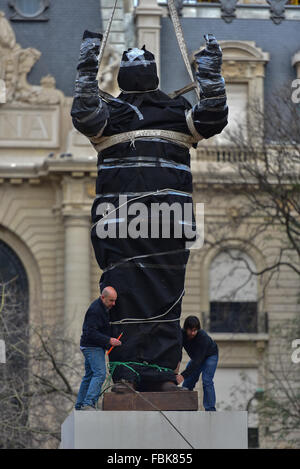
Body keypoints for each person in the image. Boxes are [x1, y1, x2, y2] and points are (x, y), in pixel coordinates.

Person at [71, 30, 228, 393]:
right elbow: (83, 113)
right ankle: (126, 373)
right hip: (128, 222)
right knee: (128, 296)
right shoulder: (112, 113)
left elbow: (212, 117)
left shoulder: (166, 111)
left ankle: (159, 375)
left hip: (157, 223)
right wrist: (209, 73)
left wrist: (210, 73)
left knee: (164, 295)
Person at [75, 286, 122, 410]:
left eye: (115, 300)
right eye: (111, 300)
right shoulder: (95, 310)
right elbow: (90, 332)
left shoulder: (102, 307)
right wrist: (109, 340)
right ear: (103, 297)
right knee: (100, 374)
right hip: (92, 347)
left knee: (89, 376)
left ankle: (80, 404)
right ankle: (89, 403)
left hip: (89, 346)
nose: (114, 304)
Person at [176, 316, 219, 411]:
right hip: (197, 358)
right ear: (185, 328)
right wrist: (176, 371)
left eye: (195, 330)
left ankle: (210, 409)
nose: (193, 333)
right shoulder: (181, 335)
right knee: (188, 382)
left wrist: (183, 375)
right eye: (190, 330)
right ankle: (184, 406)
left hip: (210, 355)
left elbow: (197, 361)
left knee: (207, 380)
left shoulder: (202, 337)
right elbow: (178, 353)